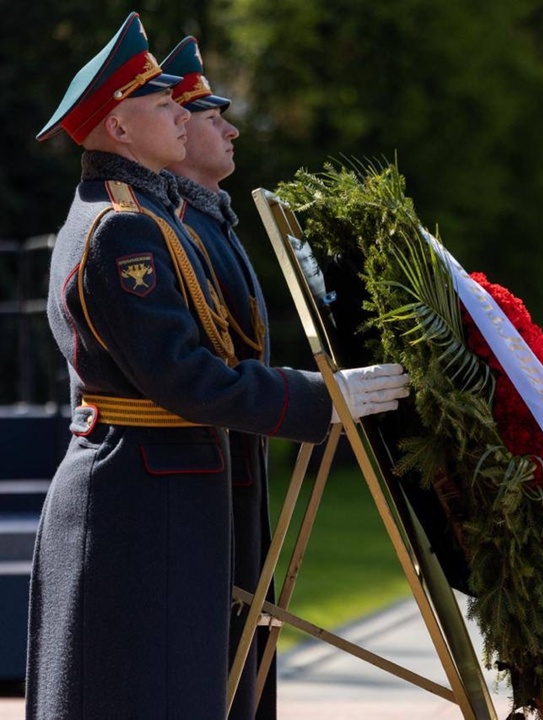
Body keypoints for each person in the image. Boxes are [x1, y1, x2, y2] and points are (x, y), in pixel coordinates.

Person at [26, 14, 409, 719]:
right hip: (139, 498)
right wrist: (321, 399)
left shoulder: (149, 216)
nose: (182, 115)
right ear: (118, 127)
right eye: (162, 105)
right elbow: (184, 377)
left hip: (164, 491)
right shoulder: (122, 229)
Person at [158, 36, 277, 719]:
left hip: (238, 460)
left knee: (247, 655)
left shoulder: (208, 221)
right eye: (211, 118)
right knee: (223, 662)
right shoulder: (178, 228)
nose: (230, 130)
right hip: (210, 465)